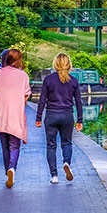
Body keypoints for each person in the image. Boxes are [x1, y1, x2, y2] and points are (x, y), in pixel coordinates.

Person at [36, 53, 84, 184]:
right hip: (67, 116)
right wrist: (80, 120)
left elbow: (42, 100)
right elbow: (78, 102)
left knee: (51, 146)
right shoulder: (73, 80)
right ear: (69, 65)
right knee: (67, 143)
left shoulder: (48, 79)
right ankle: (67, 162)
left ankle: (54, 176)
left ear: (55, 64)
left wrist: (38, 117)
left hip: (51, 116)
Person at [0, 48, 31, 188]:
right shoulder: (23, 75)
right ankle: (12, 168)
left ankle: (7, 171)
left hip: (0, 115)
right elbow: (26, 94)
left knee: (4, 145)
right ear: (18, 60)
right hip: (15, 115)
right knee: (14, 145)